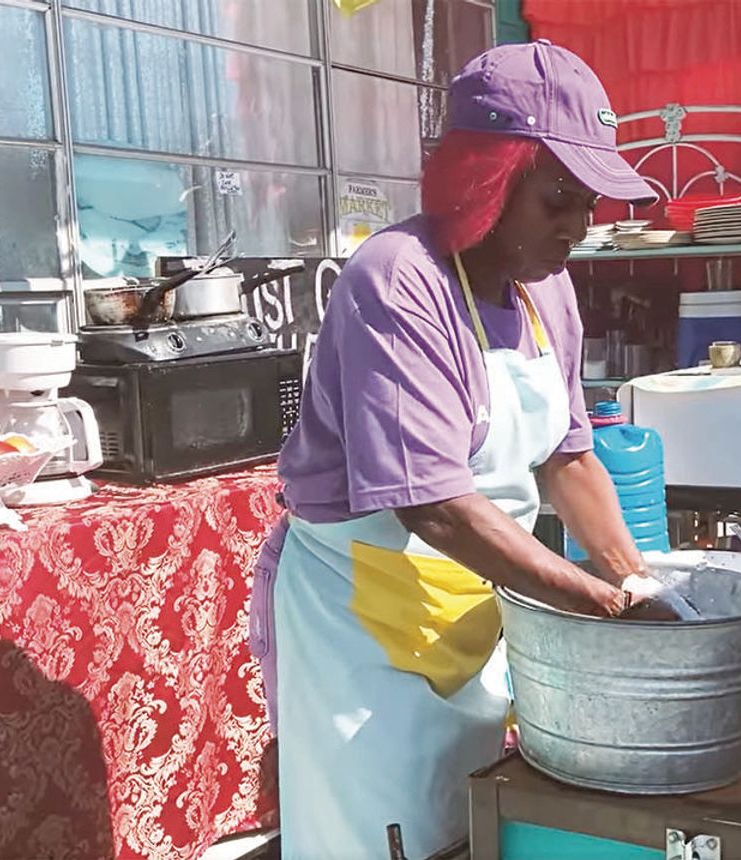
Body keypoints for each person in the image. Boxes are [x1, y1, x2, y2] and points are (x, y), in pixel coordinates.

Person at [250, 40, 666, 859]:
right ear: (489, 177)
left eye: (588, 203)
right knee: (383, 835)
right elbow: (434, 505)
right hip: (365, 625)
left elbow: (570, 458)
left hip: (479, 601)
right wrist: (594, 606)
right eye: (557, 198)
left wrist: (636, 579)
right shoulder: (399, 280)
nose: (577, 227)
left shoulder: (546, 289)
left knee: (470, 824)